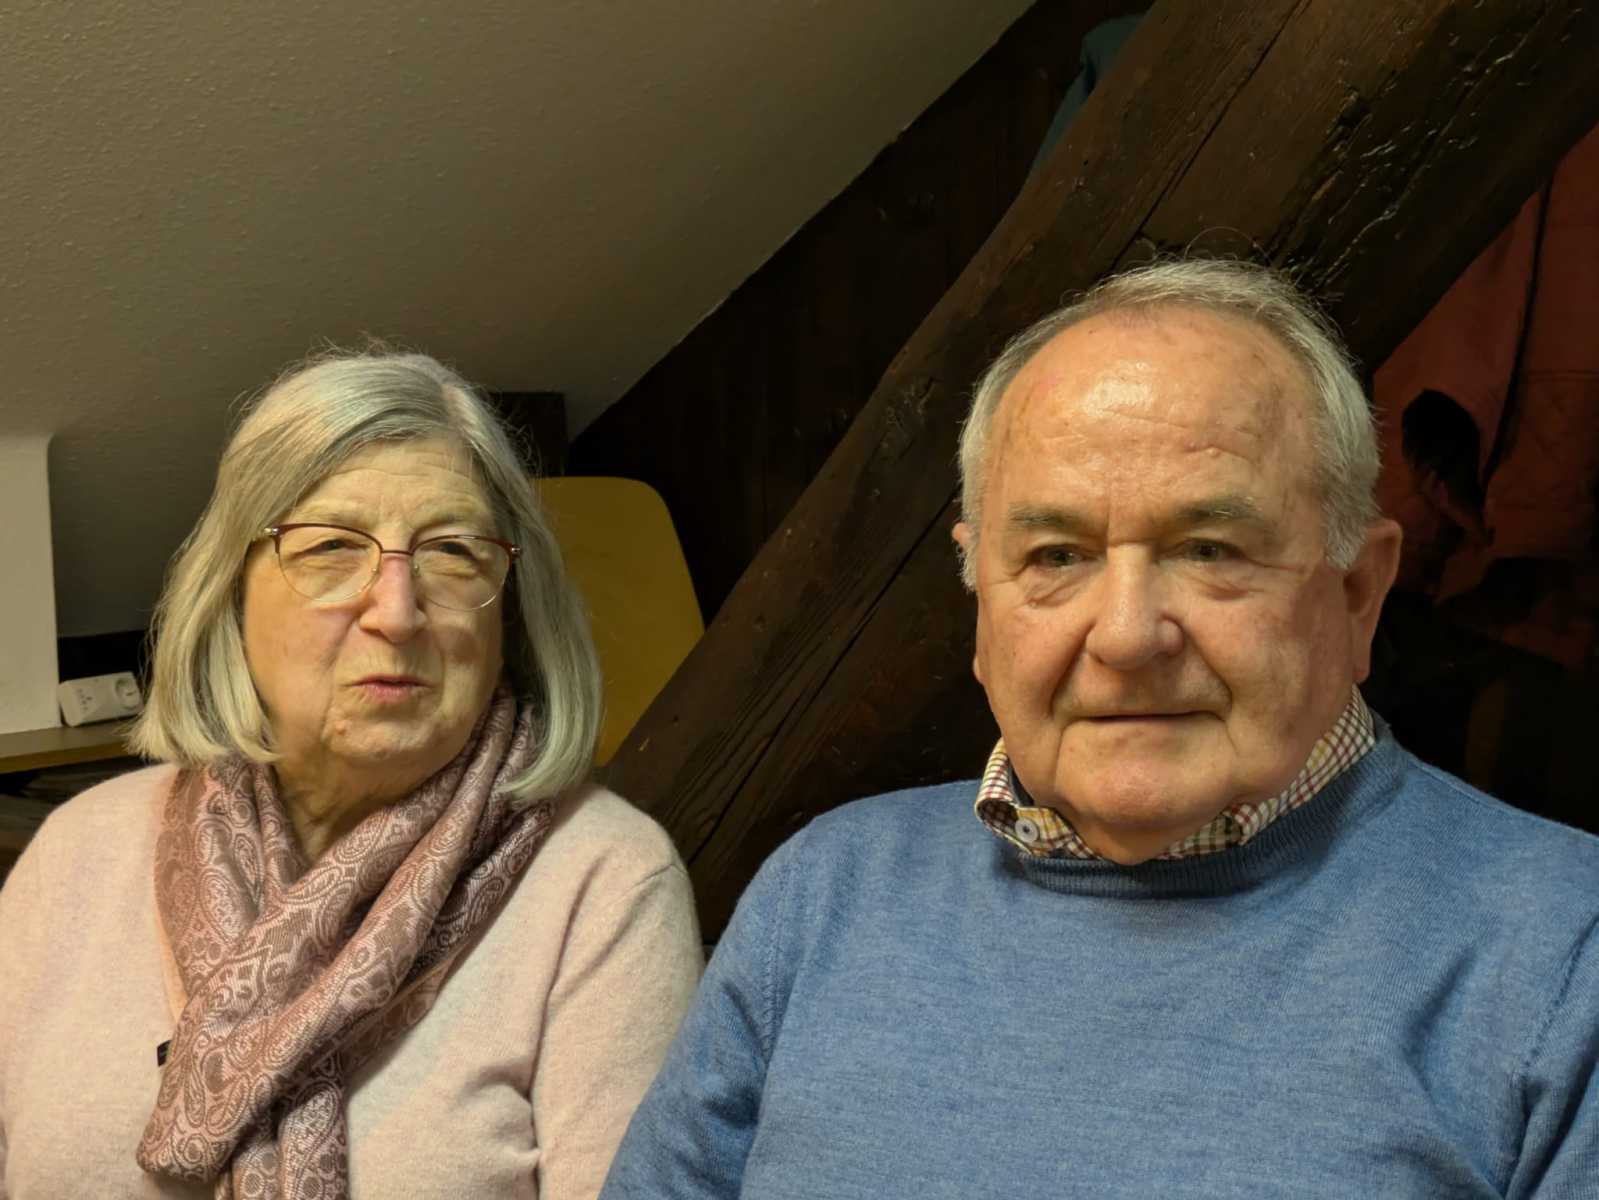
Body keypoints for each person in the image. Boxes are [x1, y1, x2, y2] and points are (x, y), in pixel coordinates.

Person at [600, 260, 1599, 1198]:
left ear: (1358, 594)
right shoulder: (823, 893)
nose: (1124, 636)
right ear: (979, 600)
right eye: (1056, 556)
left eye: (1209, 549)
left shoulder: (1564, 952)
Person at [0, 351, 704, 1198]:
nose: (397, 612)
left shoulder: (604, 881)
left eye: (453, 552)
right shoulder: (80, 848)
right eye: (331, 546)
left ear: (511, 612)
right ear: (230, 590)